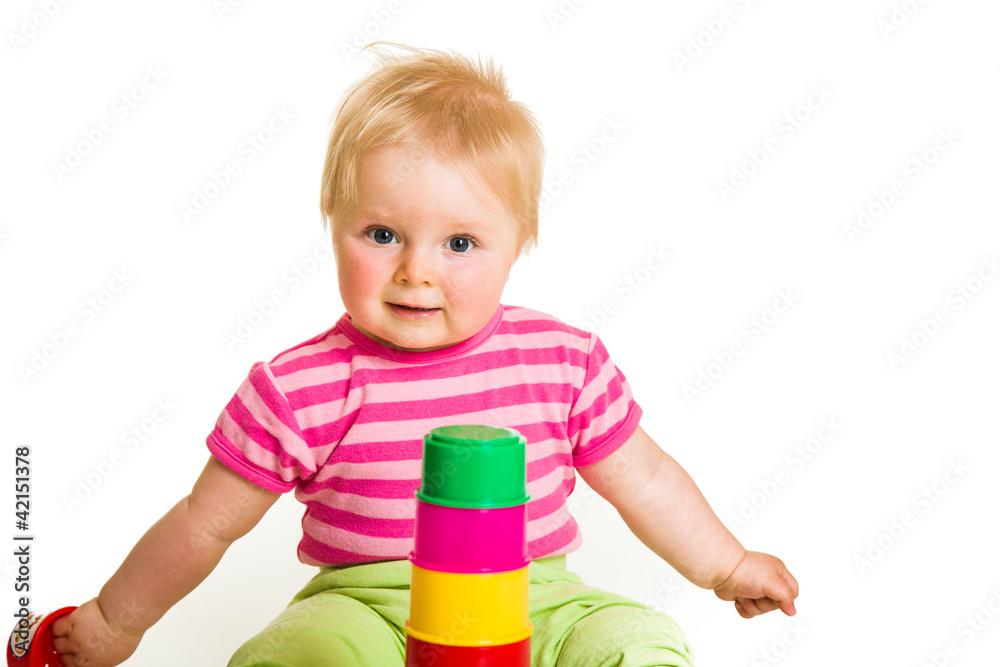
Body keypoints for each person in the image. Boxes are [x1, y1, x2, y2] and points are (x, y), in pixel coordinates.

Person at [51, 43, 798, 667]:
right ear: (332, 222)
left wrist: (728, 566)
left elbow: (648, 480)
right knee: (301, 652)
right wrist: (116, 619)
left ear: (519, 243)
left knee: (635, 639)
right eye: (382, 235)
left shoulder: (562, 362)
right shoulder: (299, 389)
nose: (416, 271)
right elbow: (202, 523)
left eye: (460, 243)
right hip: (370, 608)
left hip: (535, 599)